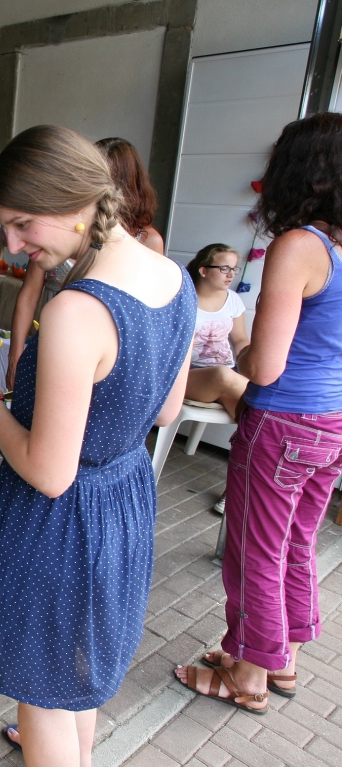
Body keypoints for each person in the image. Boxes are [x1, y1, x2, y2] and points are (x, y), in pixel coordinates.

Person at [0, 125, 195, 766]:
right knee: (75, 675)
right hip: (122, 497)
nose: (12, 246)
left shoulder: (78, 311)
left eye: (22, 224)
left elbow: (48, 471)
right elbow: (169, 408)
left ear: (76, 205)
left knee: (40, 698)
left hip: (57, 526)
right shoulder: (172, 276)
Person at [174, 112, 342, 713]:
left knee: (255, 551)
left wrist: (234, 348)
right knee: (296, 543)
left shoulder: (301, 246)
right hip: (333, 422)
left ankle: (248, 677)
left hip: (285, 424)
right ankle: (280, 658)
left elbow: (264, 367)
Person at [5, 137, 164, 391]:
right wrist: (15, 354)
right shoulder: (56, 235)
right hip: (50, 347)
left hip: (109, 362)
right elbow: (29, 293)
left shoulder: (148, 242)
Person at [184, 244, 249, 423]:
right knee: (223, 375)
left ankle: (256, 446)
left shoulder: (233, 299)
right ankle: (275, 404)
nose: (231, 274)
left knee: (247, 415)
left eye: (234, 268)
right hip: (190, 374)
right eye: (224, 268)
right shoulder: (184, 299)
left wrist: (250, 364)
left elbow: (241, 340)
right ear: (203, 270)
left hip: (228, 374)